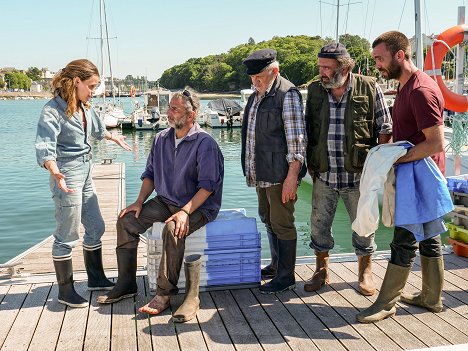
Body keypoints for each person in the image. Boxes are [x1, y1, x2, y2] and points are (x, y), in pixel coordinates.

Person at [97, 88, 224, 323]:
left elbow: (208, 187)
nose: (168, 113)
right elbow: (150, 175)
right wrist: (138, 202)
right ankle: (127, 283)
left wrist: (185, 212)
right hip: (165, 200)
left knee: (173, 229)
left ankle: (164, 294)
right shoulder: (160, 138)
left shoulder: (205, 144)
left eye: (175, 109)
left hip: (198, 207)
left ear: (191, 114)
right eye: (169, 108)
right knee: (127, 220)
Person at [356, 31, 446, 323]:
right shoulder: (406, 86)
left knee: (403, 239)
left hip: (421, 176)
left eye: (380, 59)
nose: (377, 66)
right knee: (429, 235)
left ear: (399, 55)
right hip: (417, 174)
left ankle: (385, 303)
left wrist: (394, 159)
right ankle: (431, 298)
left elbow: (435, 143)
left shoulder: (420, 90)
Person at [35, 59, 132, 308]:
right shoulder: (52, 110)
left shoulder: (83, 106)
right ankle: (65, 291)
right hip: (66, 174)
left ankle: (96, 277)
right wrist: (54, 170)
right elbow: (45, 146)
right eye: (91, 86)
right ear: (76, 81)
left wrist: (114, 137)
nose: (93, 91)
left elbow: (98, 129)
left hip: (87, 170)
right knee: (67, 234)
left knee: (96, 226)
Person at [304, 42, 392, 296]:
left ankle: (365, 272)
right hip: (324, 174)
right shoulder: (315, 90)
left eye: (327, 67)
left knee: (364, 226)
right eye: (320, 66)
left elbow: (384, 128)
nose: (321, 72)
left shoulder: (369, 86)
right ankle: (322, 270)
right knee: (319, 226)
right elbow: (309, 128)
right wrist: (311, 163)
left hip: (359, 175)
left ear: (343, 67)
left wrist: (376, 167)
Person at [241, 49, 307, 294]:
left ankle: (286, 276)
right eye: (252, 77)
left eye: (259, 76)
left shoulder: (287, 94)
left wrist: (292, 177)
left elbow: (297, 141)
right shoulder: (256, 95)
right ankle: (277, 265)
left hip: (280, 174)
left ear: (274, 71)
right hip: (261, 172)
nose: (254, 81)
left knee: (282, 223)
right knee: (268, 218)